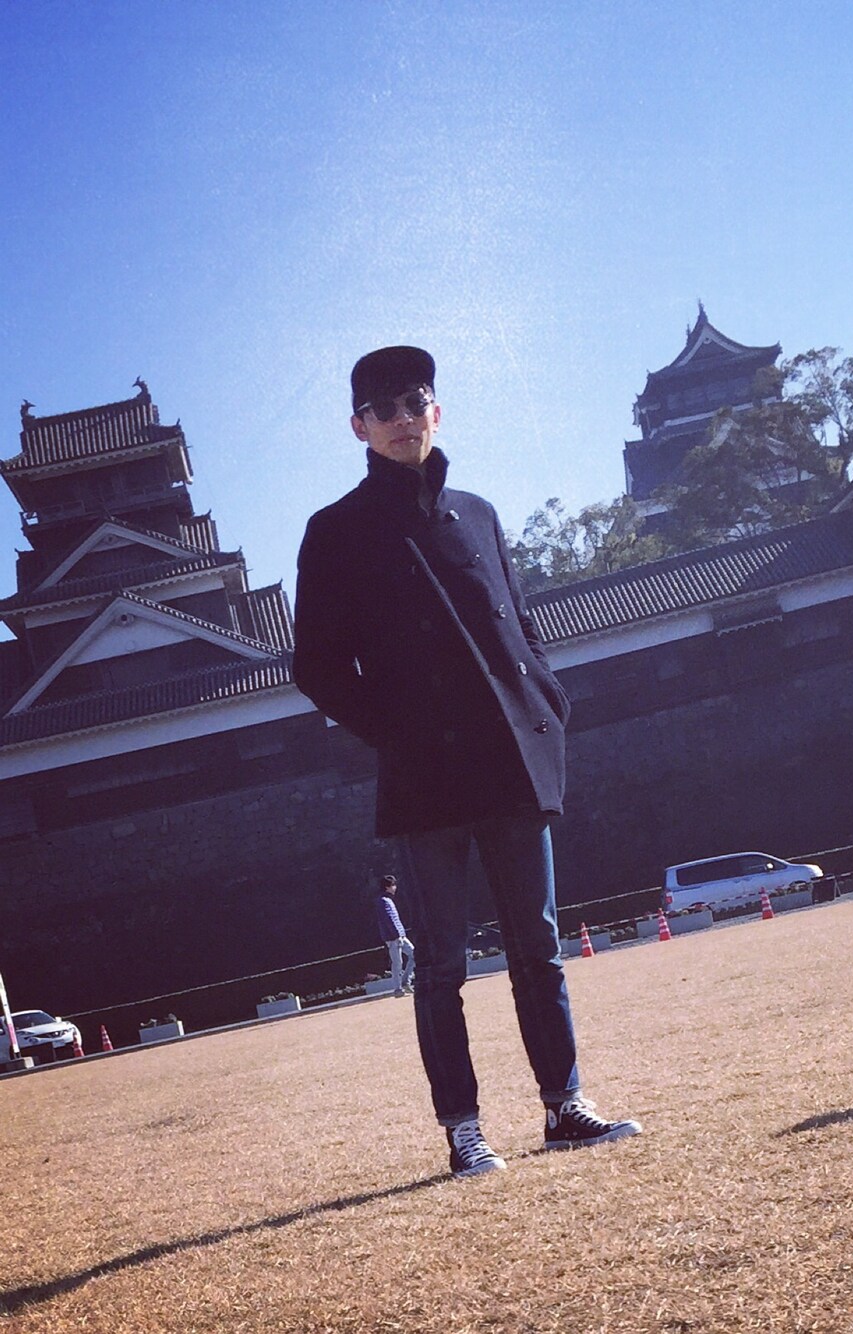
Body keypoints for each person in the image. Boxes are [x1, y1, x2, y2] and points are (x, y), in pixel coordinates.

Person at [293, 345, 641, 1178]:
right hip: (425, 779)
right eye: (384, 410)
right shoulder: (334, 531)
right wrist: (397, 733)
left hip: (511, 759)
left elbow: (520, 623)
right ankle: (463, 1130)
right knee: (442, 965)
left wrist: (547, 698)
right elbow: (316, 666)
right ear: (359, 428)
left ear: (436, 412)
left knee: (538, 947)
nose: (403, 419)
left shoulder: (478, 513)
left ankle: (564, 1107)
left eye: (415, 402)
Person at [376, 874, 414, 997]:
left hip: (399, 936)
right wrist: (397, 935)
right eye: (393, 885)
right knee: (397, 963)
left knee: (414, 955)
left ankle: (405, 982)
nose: (395, 887)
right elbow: (389, 920)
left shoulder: (387, 900)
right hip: (394, 938)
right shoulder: (383, 901)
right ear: (387, 887)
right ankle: (398, 989)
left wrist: (401, 934)